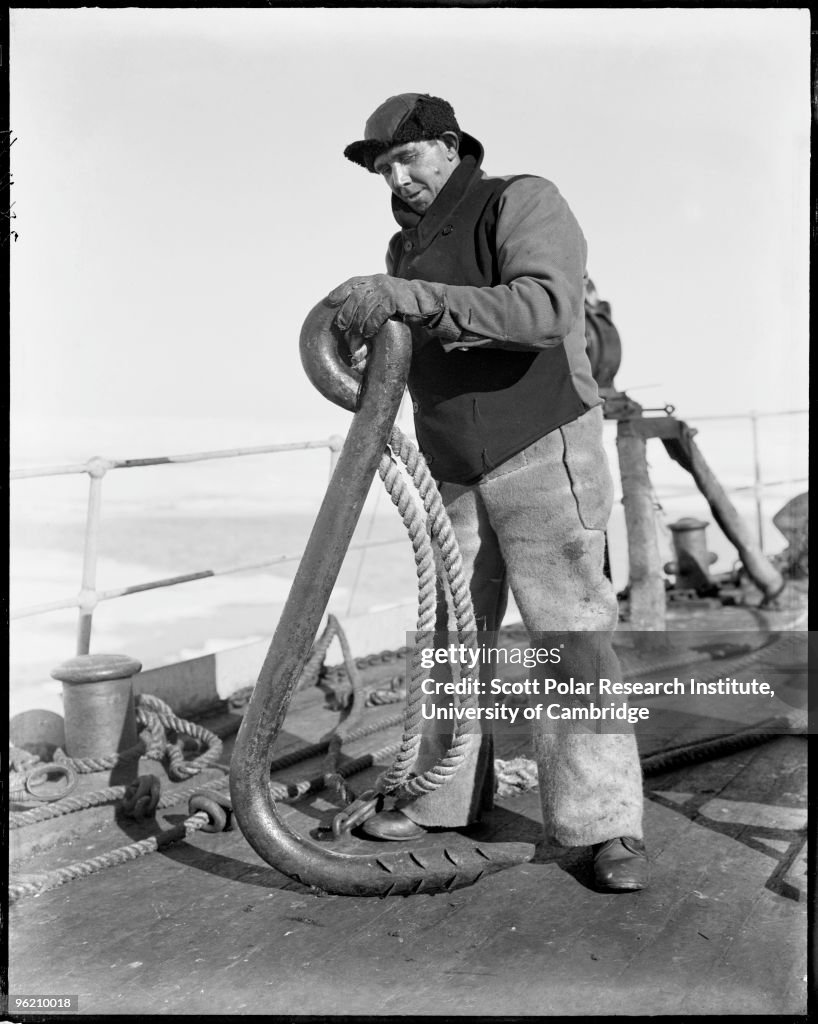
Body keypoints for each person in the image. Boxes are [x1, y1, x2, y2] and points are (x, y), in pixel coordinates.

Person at [326, 93, 648, 892]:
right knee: (448, 637)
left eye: (406, 159)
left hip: (544, 447)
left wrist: (415, 300)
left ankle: (605, 827)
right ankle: (441, 802)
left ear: (447, 147)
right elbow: (414, 339)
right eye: (382, 169)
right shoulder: (403, 249)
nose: (396, 179)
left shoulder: (522, 200)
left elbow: (544, 308)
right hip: (452, 466)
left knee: (568, 636)